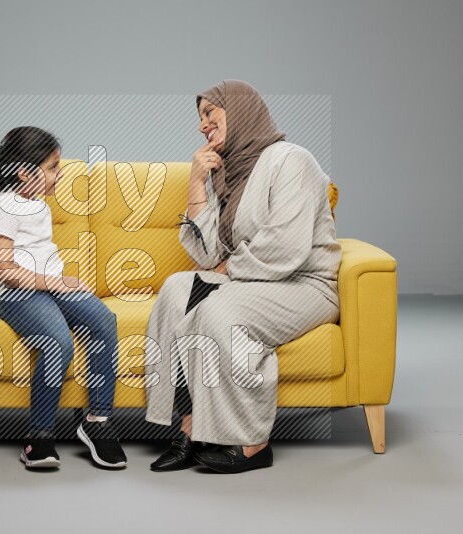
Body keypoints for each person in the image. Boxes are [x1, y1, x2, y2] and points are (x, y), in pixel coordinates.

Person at [145, 80, 341, 473]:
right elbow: (206, 255)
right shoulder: (227, 174)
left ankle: (253, 442)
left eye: (209, 113)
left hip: (302, 284)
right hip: (253, 279)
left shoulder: (291, 160)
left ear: (238, 111)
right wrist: (196, 183)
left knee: (219, 313)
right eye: (199, 117)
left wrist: (227, 270)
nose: (202, 125)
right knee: (175, 291)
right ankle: (191, 426)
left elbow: (286, 245)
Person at [0, 126, 127, 470]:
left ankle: (98, 423)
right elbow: (4, 268)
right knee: (56, 341)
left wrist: (56, 282)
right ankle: (39, 437)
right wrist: (53, 282)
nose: (59, 174)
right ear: (24, 172)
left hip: (47, 284)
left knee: (103, 320)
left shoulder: (36, 204)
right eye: (52, 167)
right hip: (13, 292)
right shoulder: (5, 206)